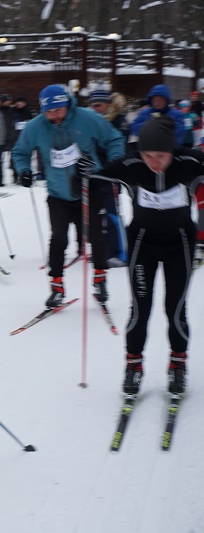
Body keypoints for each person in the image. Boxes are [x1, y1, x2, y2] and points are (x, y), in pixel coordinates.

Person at [77, 116, 204, 395]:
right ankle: (134, 365)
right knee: (140, 309)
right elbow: (95, 180)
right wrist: (84, 172)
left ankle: (177, 365)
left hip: (180, 244)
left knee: (175, 309)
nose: (154, 162)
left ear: (173, 151)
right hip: (142, 244)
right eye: (148, 155)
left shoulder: (189, 163)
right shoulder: (132, 164)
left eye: (160, 156)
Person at [12, 84, 124, 308]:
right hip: (58, 193)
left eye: (59, 110)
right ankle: (56, 286)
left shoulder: (87, 118)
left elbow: (114, 139)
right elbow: (20, 151)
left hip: (89, 188)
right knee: (59, 239)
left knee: (96, 237)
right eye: (50, 111)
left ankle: (100, 279)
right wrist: (23, 170)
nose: (55, 116)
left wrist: (112, 165)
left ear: (67, 105)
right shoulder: (35, 127)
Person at [88, 89, 129, 267]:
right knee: (96, 216)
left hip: (111, 175)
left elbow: (118, 147)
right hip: (94, 176)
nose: (95, 108)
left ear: (108, 105)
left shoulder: (119, 120)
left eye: (98, 105)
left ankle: (121, 253)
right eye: (92, 105)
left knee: (112, 215)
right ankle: (103, 250)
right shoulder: (92, 122)